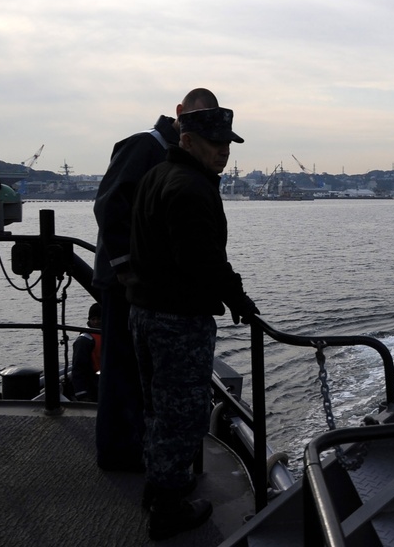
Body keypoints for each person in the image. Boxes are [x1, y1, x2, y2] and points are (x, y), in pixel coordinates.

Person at [128, 106, 259, 540]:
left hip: (145, 312)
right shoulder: (190, 187)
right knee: (182, 416)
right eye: (215, 143)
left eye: (226, 143)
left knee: (156, 409)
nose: (223, 151)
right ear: (187, 141)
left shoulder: (157, 177)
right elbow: (203, 260)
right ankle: (168, 509)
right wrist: (238, 299)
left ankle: (157, 487)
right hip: (178, 320)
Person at [92, 87, 219, 472]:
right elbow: (110, 205)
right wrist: (127, 269)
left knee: (142, 374)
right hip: (127, 281)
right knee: (123, 371)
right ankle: (120, 453)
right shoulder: (143, 146)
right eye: (198, 117)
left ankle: (139, 452)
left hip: (143, 283)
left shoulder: (170, 155)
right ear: (180, 113)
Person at [71, 303, 103, 402]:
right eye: (93, 319)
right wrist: (81, 394)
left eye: (99, 318)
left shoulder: (109, 335)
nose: (96, 322)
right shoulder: (84, 341)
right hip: (93, 385)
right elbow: (78, 368)